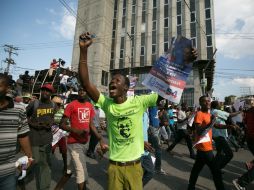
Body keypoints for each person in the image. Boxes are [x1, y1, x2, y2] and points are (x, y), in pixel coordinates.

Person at [78, 32, 197, 189]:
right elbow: (86, 84)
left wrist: (184, 62)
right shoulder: (106, 104)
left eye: (117, 81)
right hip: (114, 168)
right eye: (111, 81)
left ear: (126, 88)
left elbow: (165, 89)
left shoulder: (140, 102)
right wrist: (84, 51)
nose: (112, 82)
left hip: (135, 168)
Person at [54, 87, 107, 190]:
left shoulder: (89, 106)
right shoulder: (71, 105)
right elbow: (62, 124)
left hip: (84, 143)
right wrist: (75, 130)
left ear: (88, 92)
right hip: (74, 143)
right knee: (81, 171)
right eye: (80, 90)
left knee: (70, 171)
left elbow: (91, 124)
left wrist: (100, 139)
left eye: (85, 90)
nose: (82, 91)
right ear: (78, 92)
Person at [0, 73, 33, 189]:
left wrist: (29, 157)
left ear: (7, 89)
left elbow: (23, 135)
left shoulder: (19, 109)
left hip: (7, 172)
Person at [187, 96, 225, 190]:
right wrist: (211, 122)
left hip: (204, 148)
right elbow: (199, 131)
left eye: (209, 101)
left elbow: (215, 125)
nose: (208, 102)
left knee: (196, 169)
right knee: (216, 171)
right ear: (201, 103)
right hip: (205, 148)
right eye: (205, 101)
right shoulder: (199, 114)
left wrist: (229, 126)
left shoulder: (208, 114)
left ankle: (191, 187)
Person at [26, 83, 56, 190]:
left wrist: (50, 123)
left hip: (47, 138)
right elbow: (24, 117)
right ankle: (22, 177)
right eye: (43, 90)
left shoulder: (53, 105)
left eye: (48, 91)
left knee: (45, 164)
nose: (45, 92)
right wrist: (33, 124)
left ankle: (45, 187)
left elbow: (53, 118)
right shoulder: (34, 103)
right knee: (33, 161)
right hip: (34, 138)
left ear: (51, 93)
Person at [211, 100, 241, 170]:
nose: (220, 105)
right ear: (216, 105)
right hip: (219, 135)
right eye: (219, 104)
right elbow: (230, 115)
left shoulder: (213, 111)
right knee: (229, 154)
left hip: (216, 135)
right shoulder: (216, 111)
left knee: (220, 153)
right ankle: (217, 168)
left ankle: (214, 167)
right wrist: (240, 111)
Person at [233, 99, 254, 190]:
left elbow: (244, 122)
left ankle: (251, 164)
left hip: (250, 139)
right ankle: (241, 182)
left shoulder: (249, 111)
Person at [51, 96, 67, 172]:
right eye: (54, 104)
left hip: (60, 134)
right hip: (51, 134)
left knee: (64, 151)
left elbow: (66, 123)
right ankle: (47, 166)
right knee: (51, 150)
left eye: (57, 104)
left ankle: (65, 165)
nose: (56, 105)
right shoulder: (49, 111)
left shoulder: (63, 112)